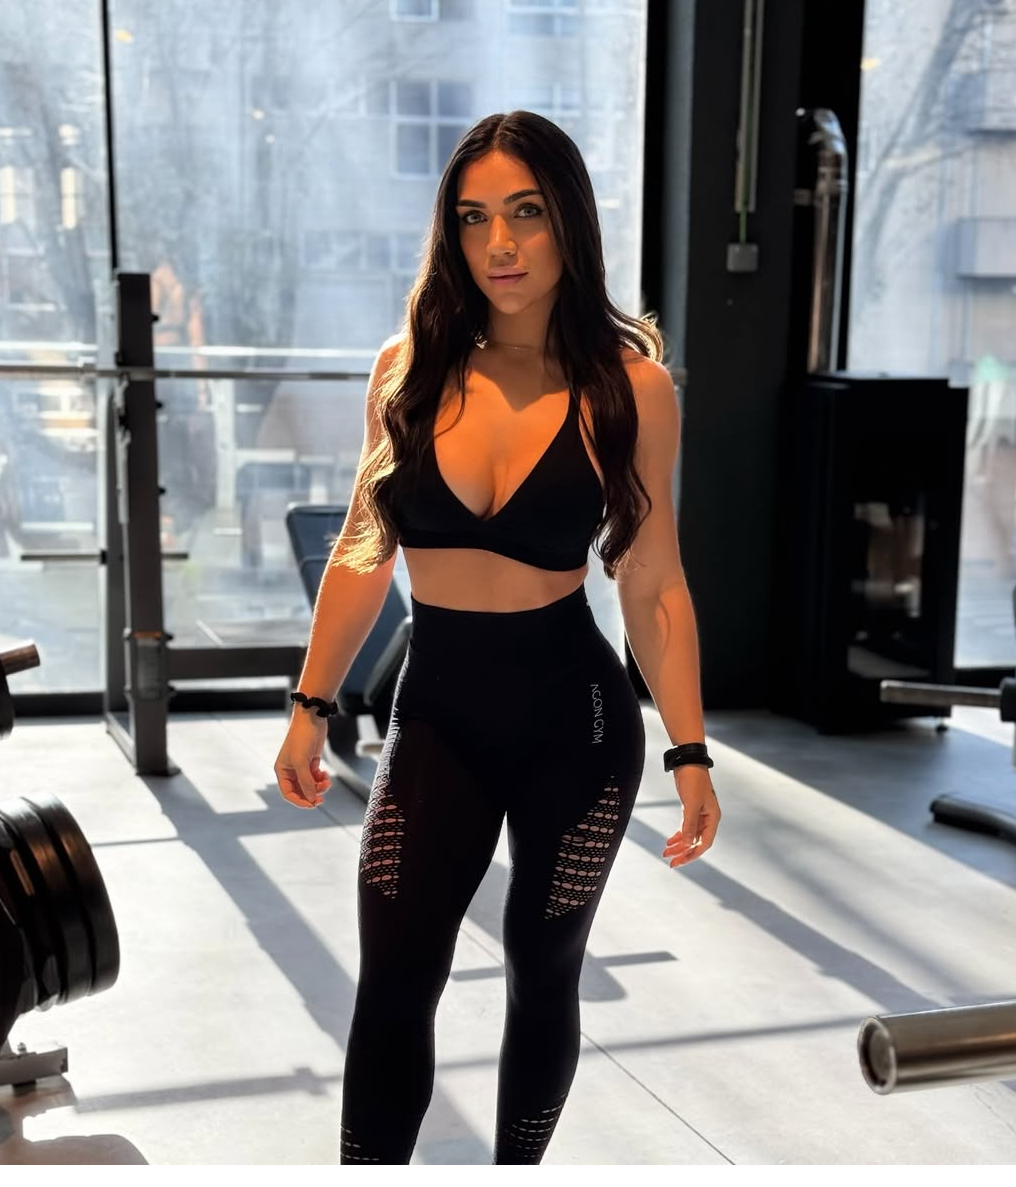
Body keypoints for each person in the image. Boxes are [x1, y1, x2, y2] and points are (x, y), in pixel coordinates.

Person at [273, 110, 720, 1165]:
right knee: (395, 977)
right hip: (437, 715)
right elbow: (361, 549)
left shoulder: (631, 388)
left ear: (570, 220)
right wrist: (309, 703)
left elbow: (652, 580)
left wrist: (691, 749)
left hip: (579, 722)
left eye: (526, 213)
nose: (501, 244)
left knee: (542, 966)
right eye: (474, 219)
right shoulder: (408, 370)